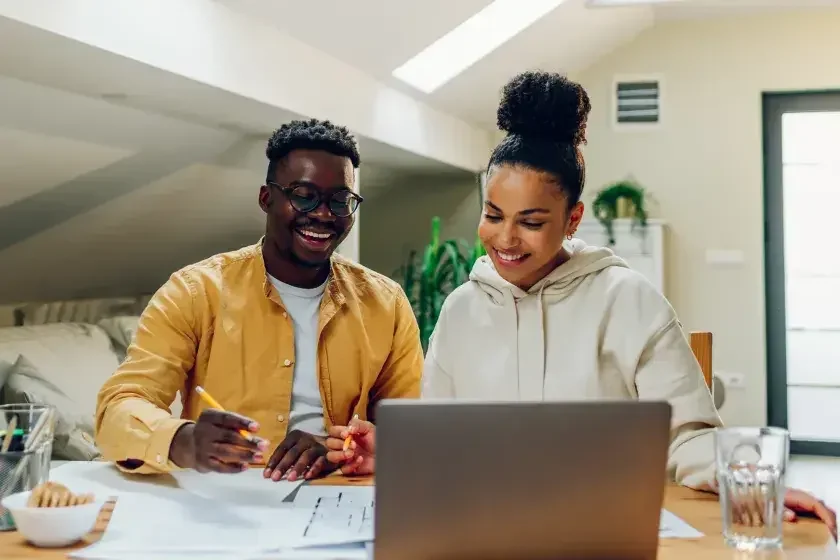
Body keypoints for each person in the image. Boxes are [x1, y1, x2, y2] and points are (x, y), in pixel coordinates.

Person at [325, 71, 837, 536]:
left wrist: (741, 477)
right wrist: (392, 451)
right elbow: (441, 440)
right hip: (486, 528)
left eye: (531, 221)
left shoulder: (629, 299)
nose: (505, 239)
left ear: (572, 220)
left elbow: (688, 438)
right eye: (493, 214)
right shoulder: (460, 311)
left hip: (607, 530)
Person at [95, 118, 423, 482]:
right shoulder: (194, 292)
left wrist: (339, 449)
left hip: (341, 495)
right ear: (267, 199)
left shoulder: (386, 304)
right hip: (225, 500)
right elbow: (118, 410)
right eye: (303, 195)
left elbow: (412, 429)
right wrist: (185, 440)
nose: (323, 214)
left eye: (340, 201)